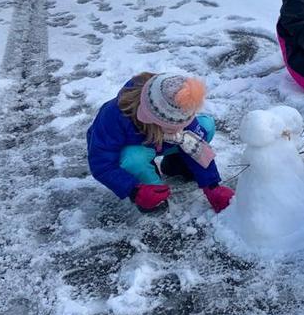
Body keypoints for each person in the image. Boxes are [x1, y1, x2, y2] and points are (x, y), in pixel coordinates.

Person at [86, 72, 234, 214]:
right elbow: (101, 164)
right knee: (133, 159)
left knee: (205, 127)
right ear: (146, 117)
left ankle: (176, 164)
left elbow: (195, 144)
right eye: (172, 128)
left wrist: (212, 186)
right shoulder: (113, 117)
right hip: (136, 146)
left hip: (162, 142)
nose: (180, 130)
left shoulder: (177, 102)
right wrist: (134, 190)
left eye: (182, 127)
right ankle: (152, 190)